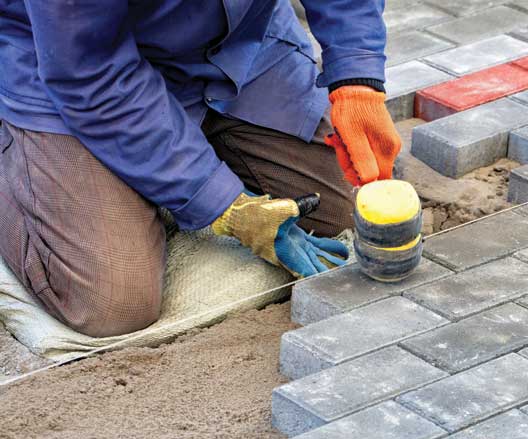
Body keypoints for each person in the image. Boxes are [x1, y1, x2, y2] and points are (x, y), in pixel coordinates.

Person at [0, 0, 401, 337]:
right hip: (71, 67)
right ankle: (21, 159)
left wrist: (356, 78)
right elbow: (90, 71)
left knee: (348, 211)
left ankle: (180, 152)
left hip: (237, 46)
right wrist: (224, 204)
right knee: (112, 301)